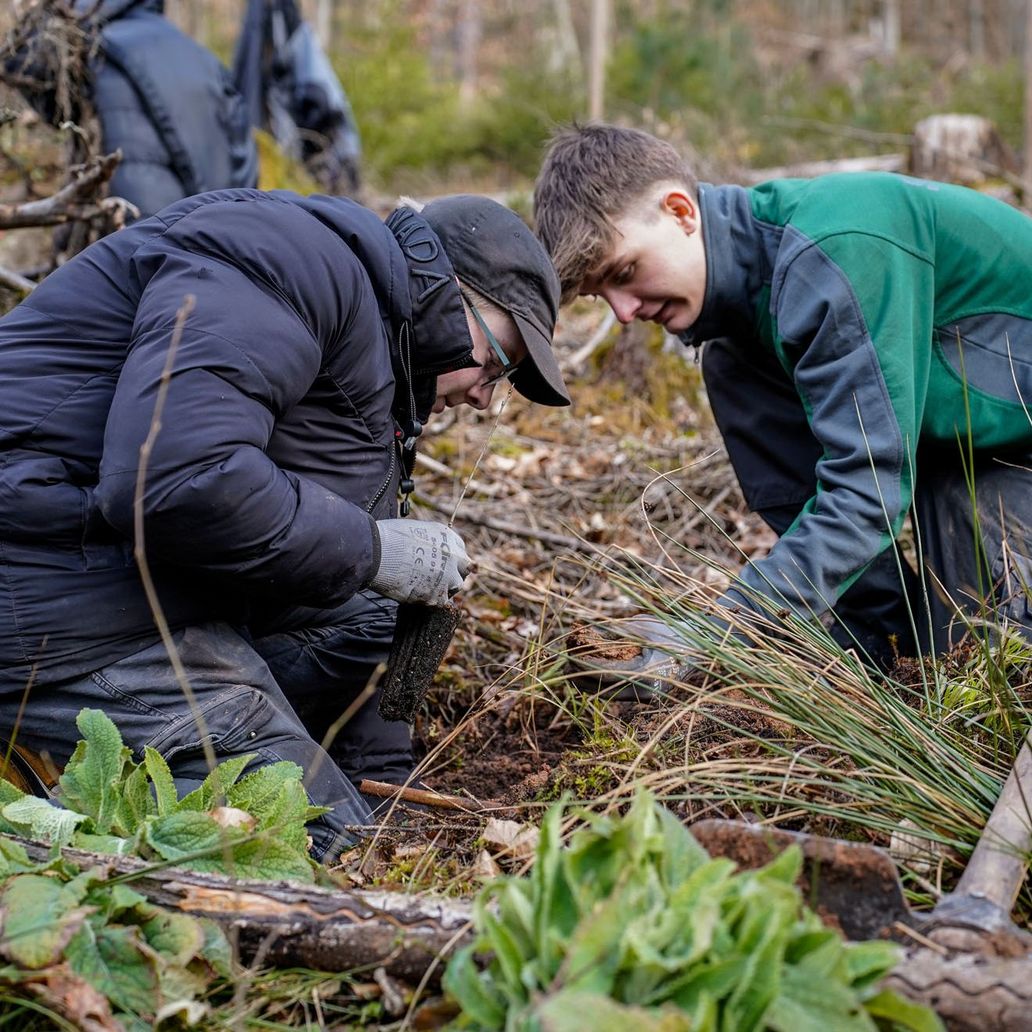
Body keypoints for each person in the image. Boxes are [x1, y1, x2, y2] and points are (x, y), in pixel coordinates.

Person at [0, 187, 570, 859]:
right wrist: (370, 548)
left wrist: (387, 791)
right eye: (498, 364)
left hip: (118, 568)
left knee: (366, 616)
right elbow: (173, 475)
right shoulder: (293, 260)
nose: (483, 397)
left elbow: (340, 575)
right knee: (322, 840)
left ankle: (354, 792)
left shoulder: (383, 354)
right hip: (49, 584)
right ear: (451, 294)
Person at [533, 123, 1032, 673]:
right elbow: (817, 521)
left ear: (680, 212)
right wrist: (892, 671)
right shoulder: (734, 350)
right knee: (938, 672)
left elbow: (866, 494)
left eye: (624, 273)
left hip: (1002, 454)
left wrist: (715, 634)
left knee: (989, 672)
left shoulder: (837, 248)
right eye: (602, 295)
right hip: (967, 450)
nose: (624, 313)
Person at [8, 0, 258, 220]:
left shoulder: (84, 47)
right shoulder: (201, 57)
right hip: (211, 220)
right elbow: (243, 151)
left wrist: (43, 16)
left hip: (140, 222)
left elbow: (20, 66)